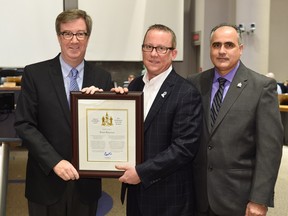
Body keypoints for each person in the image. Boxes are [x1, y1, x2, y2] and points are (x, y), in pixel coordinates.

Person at [14, 9, 113, 216]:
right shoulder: (35, 74)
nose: (74, 40)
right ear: (59, 37)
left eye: (80, 34)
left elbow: (109, 128)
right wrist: (55, 162)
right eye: (67, 33)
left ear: (88, 37)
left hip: (86, 186)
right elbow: (24, 125)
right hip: (46, 181)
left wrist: (118, 100)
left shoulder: (103, 78)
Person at [188, 23, 283, 216]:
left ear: (240, 49)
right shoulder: (195, 83)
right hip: (198, 197)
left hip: (238, 199)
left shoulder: (261, 87)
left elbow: (269, 150)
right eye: (216, 45)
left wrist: (259, 199)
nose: (222, 51)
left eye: (229, 45)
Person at [115, 24, 202, 216]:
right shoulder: (134, 86)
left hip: (168, 199)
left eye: (161, 48)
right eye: (149, 47)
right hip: (136, 195)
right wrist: (106, 102)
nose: (154, 54)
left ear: (173, 53)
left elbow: (184, 148)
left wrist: (142, 173)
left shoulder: (186, 92)